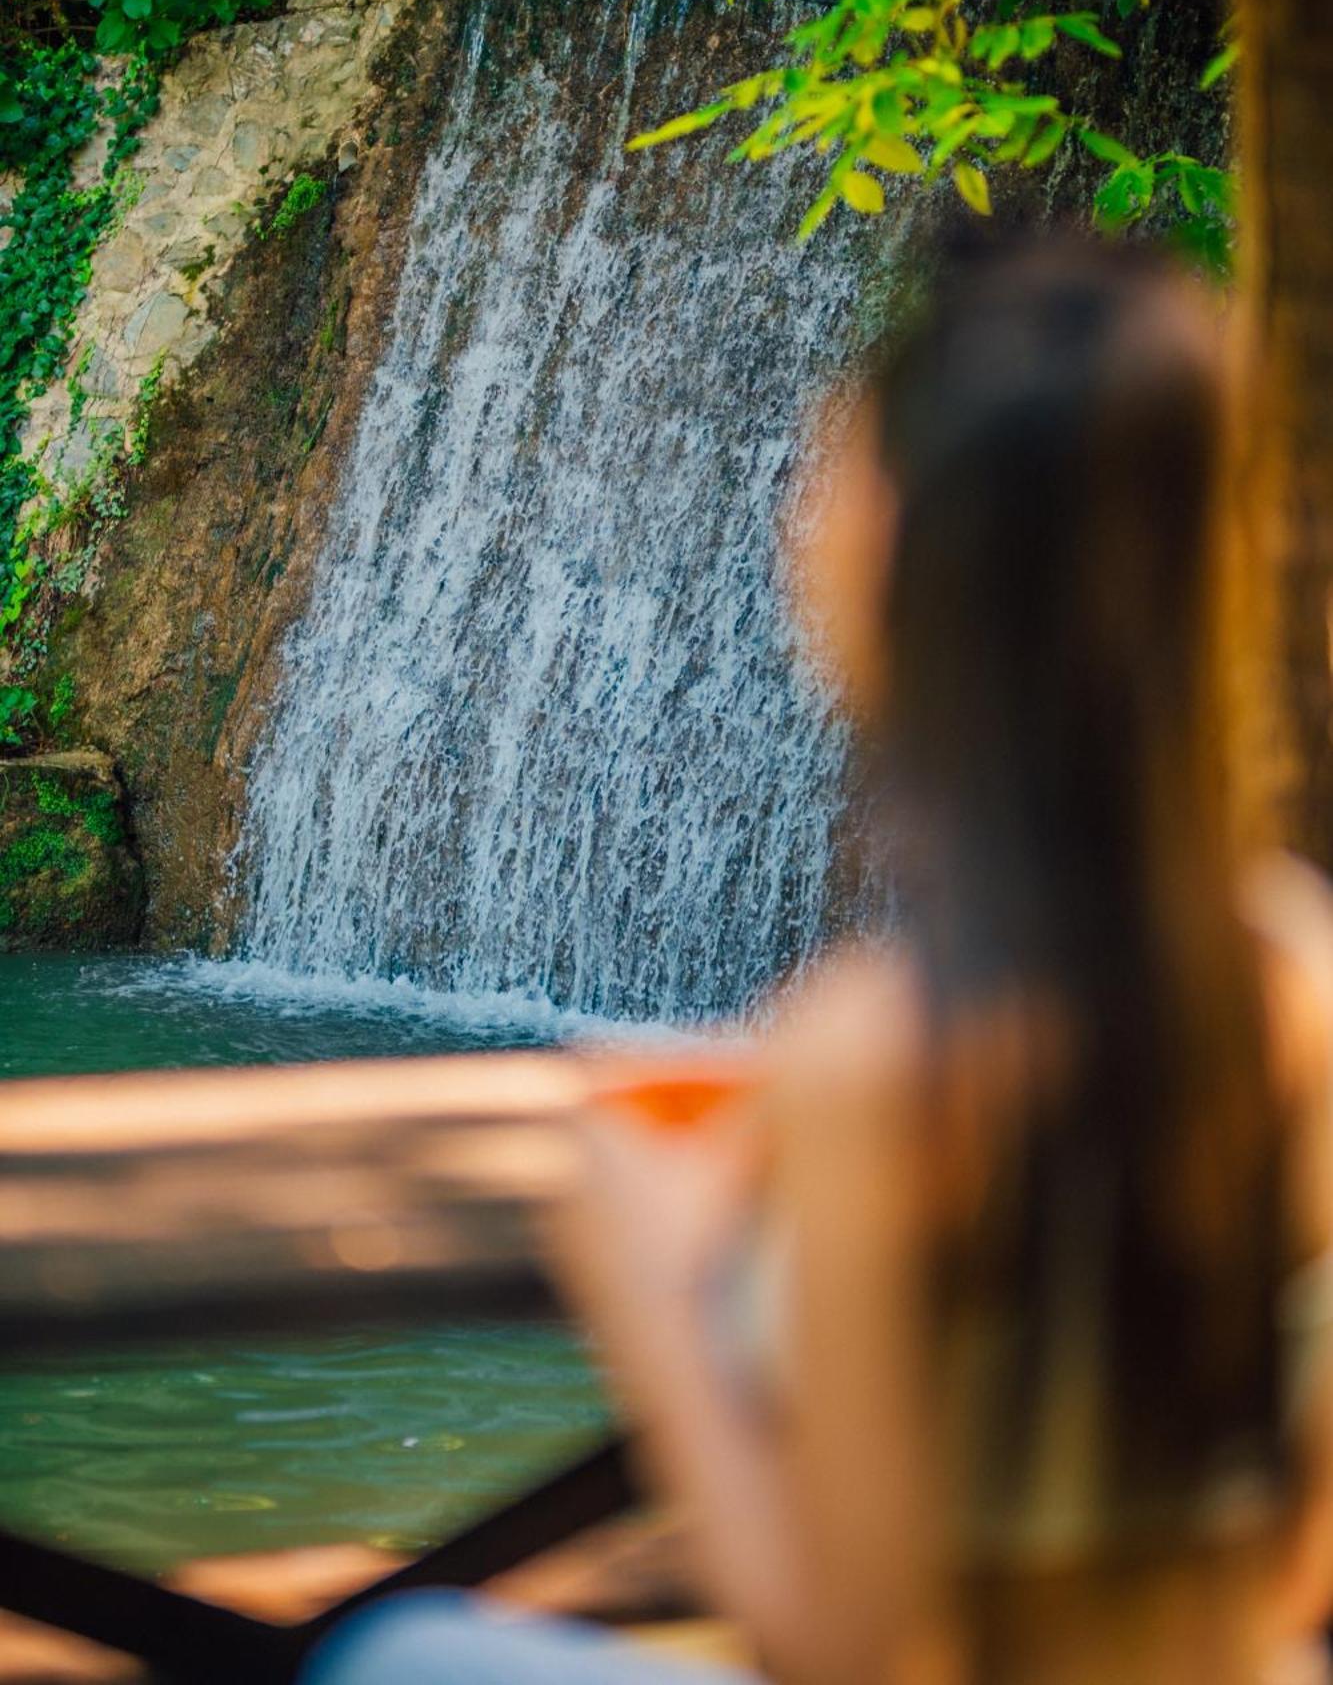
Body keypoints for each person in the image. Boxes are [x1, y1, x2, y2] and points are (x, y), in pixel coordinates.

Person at [301, 232, 1333, 1684]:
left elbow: (844, 1646)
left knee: (388, 1655)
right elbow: (1293, 1568)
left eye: (829, 477)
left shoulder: (877, 1054)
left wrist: (648, 1276)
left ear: (915, 553)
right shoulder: (1291, 974)